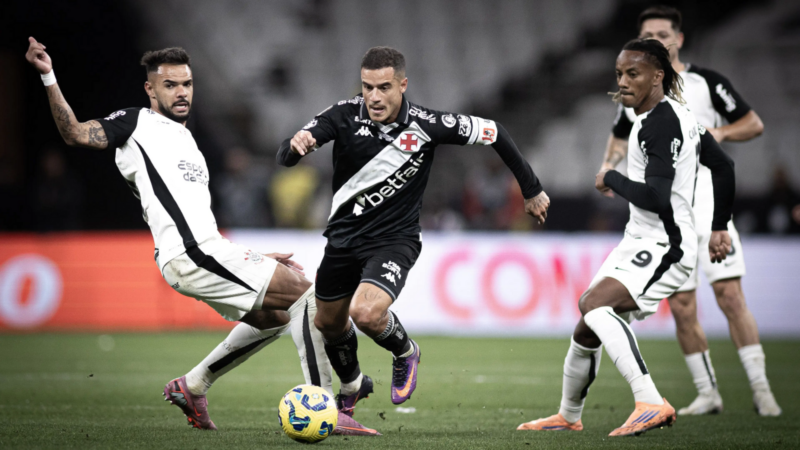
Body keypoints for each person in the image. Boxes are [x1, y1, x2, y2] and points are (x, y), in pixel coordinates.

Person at [25, 37, 378, 436]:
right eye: (170, 85)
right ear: (150, 89)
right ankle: (326, 405)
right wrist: (48, 75)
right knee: (307, 296)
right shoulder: (136, 123)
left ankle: (192, 386)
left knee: (276, 317)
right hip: (188, 253)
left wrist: (254, 258)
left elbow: (197, 222)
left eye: (187, 84)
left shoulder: (189, 142)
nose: (181, 92)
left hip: (204, 251)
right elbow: (74, 133)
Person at [278, 46, 550, 413]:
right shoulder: (342, 115)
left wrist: (531, 189)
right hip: (342, 240)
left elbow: (495, 132)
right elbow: (285, 155)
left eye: (384, 87)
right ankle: (353, 385)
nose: (374, 97)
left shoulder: (427, 124)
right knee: (327, 322)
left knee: (365, 313)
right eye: (367, 87)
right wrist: (296, 148)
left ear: (402, 85)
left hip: (394, 241)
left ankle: (405, 351)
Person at [518, 39, 736, 437]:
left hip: (665, 245)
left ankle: (650, 401)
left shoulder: (660, 124)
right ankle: (568, 416)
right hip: (642, 240)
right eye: (619, 73)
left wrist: (611, 178)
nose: (622, 81)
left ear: (657, 76)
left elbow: (656, 196)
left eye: (633, 73)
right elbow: (723, 166)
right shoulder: (678, 116)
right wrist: (719, 225)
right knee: (588, 323)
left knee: (595, 306)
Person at [601, 5, 780, 416]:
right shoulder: (635, 90)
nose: (657, 41)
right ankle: (708, 392)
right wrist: (608, 165)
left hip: (710, 204)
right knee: (682, 305)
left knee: (730, 296)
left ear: (679, 39)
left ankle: (762, 389)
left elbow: (753, 124)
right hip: (670, 217)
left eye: (663, 34)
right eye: (649, 36)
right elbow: (619, 135)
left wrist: (716, 134)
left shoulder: (707, 83)